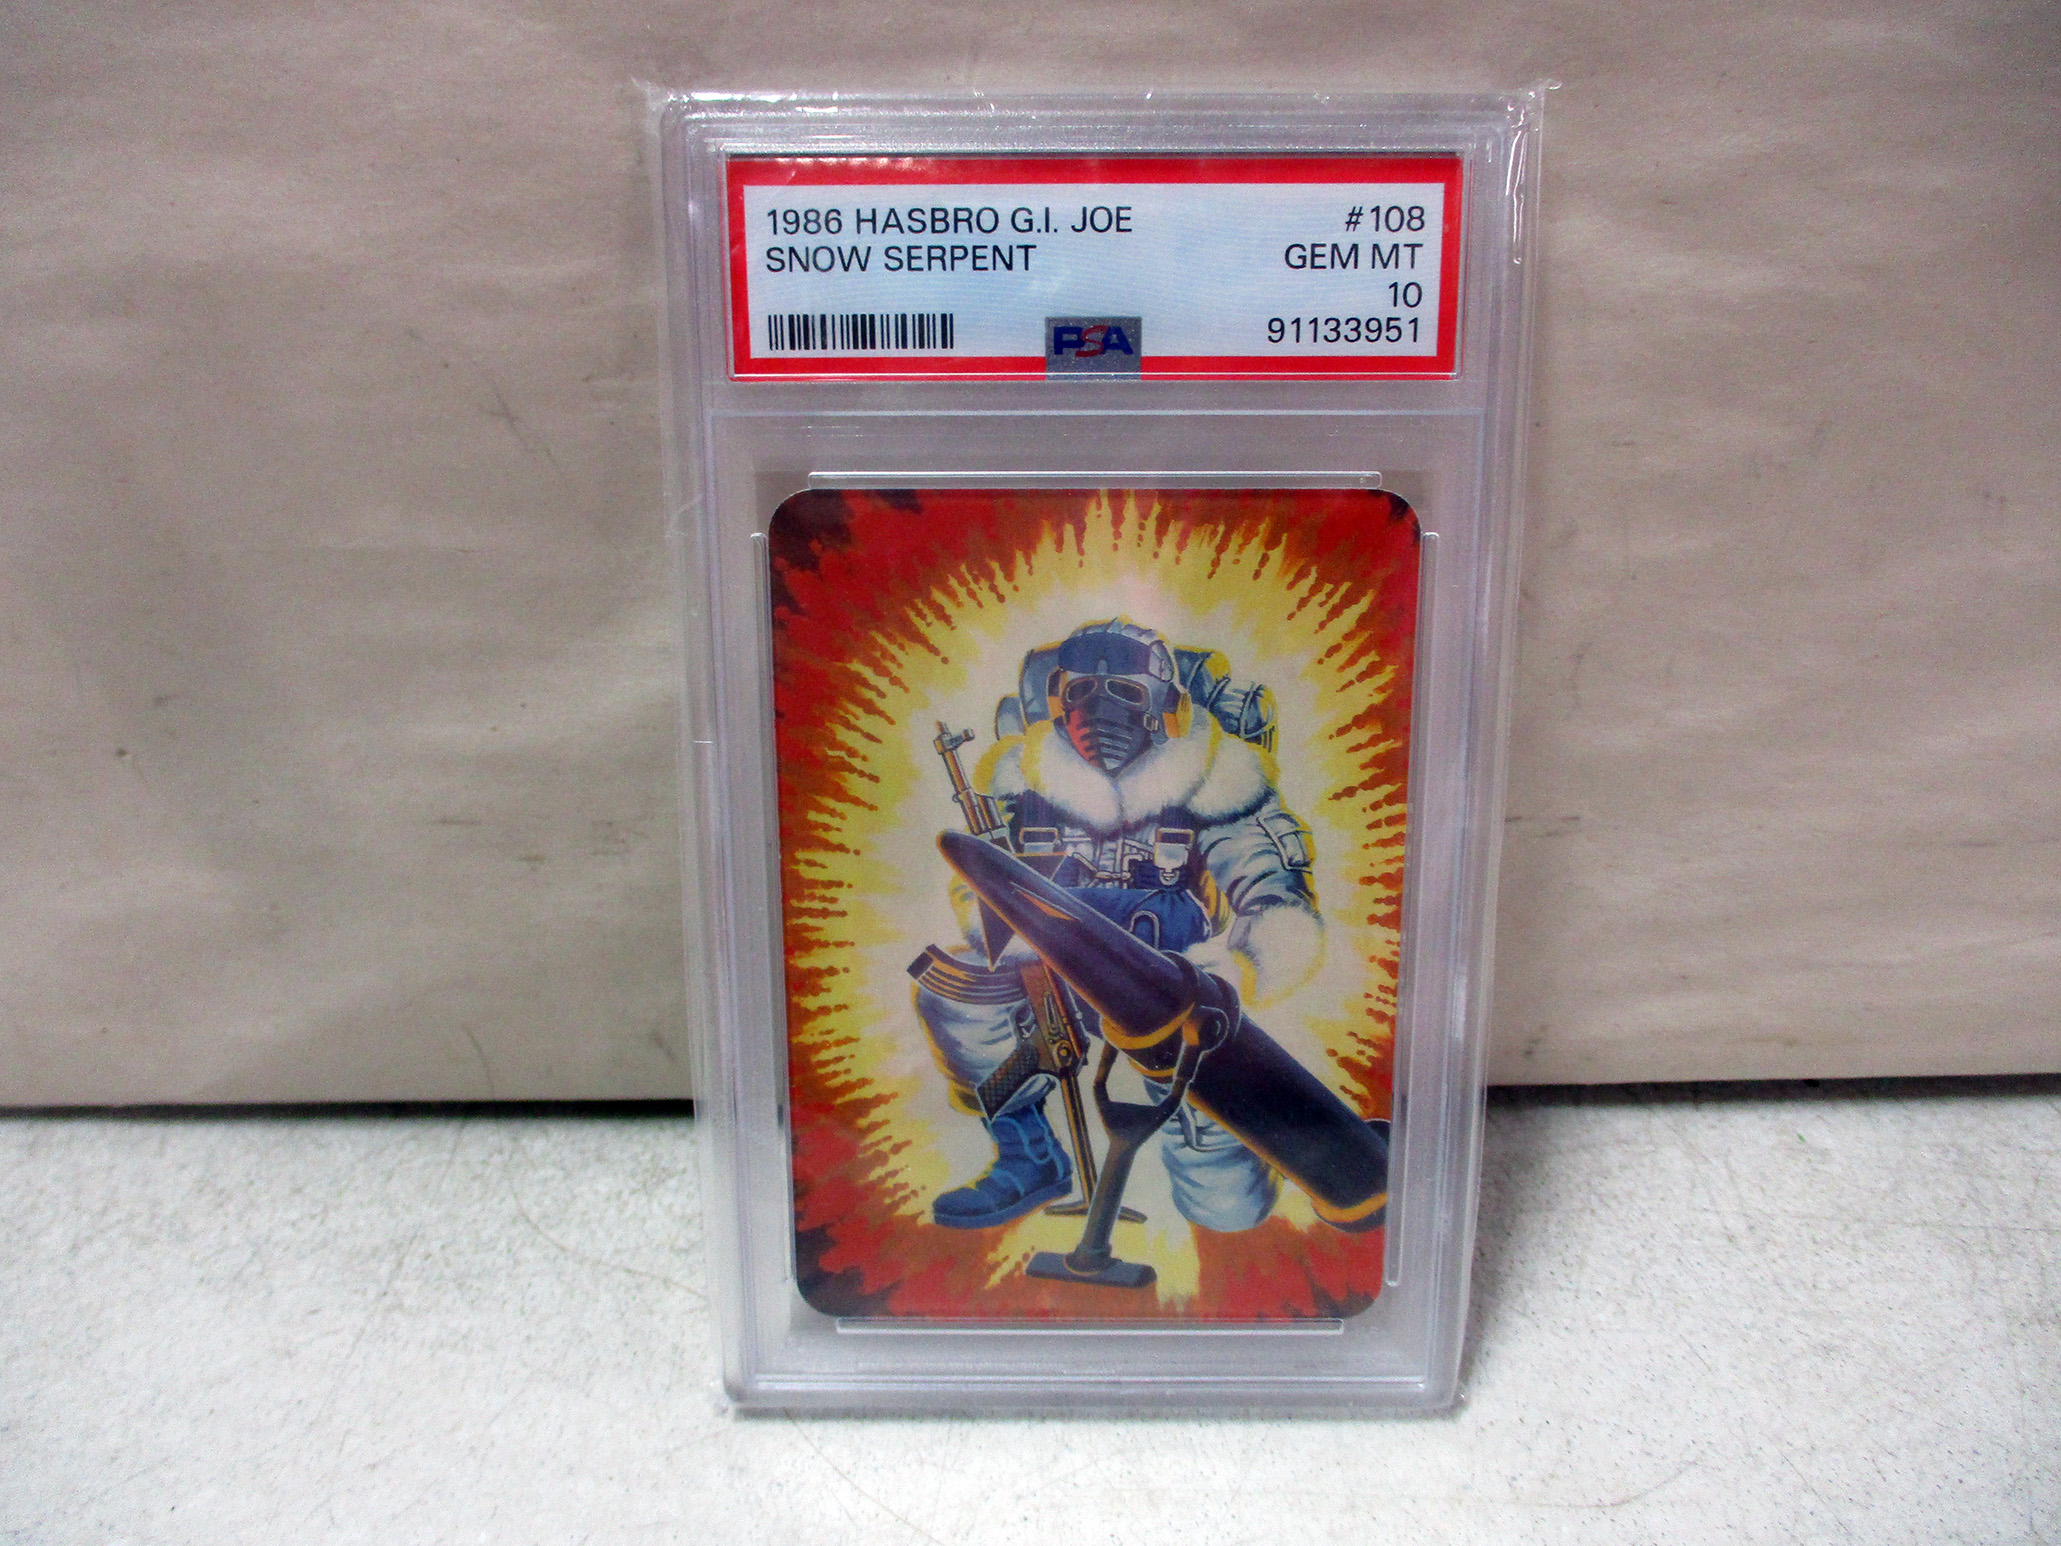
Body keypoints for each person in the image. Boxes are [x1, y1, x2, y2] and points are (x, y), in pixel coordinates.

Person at [912, 618, 1325, 1231]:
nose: (1098, 711)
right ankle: (1029, 1158)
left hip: (1172, 990)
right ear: (1057, 701)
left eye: (1126, 693)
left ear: (1166, 707)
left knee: (1228, 1210)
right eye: (1080, 692)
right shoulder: (1023, 783)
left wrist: (1231, 974)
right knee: (956, 993)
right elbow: (978, 881)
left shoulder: (1217, 783)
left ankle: (1234, 1161)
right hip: (1049, 969)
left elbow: (1280, 906)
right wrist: (1005, 930)